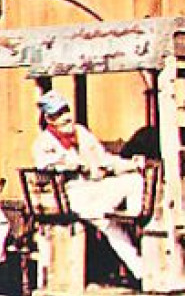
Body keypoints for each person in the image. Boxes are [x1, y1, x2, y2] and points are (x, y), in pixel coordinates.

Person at [33, 89, 149, 282]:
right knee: (109, 225)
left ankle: (132, 216)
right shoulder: (44, 142)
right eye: (58, 114)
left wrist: (130, 164)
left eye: (66, 111)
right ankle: (139, 270)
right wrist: (73, 165)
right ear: (49, 119)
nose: (65, 117)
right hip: (73, 195)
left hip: (96, 188)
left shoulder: (81, 133)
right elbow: (44, 165)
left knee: (134, 180)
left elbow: (104, 159)